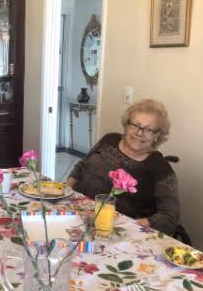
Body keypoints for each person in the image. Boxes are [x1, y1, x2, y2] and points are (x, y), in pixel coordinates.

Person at [66, 99, 179, 235]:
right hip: (74, 212)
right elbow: (81, 166)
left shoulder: (160, 167)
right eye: (135, 125)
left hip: (112, 231)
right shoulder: (109, 140)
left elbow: (169, 216)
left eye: (149, 129)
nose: (139, 133)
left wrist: (134, 226)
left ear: (157, 135)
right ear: (126, 126)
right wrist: (65, 192)